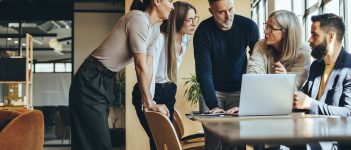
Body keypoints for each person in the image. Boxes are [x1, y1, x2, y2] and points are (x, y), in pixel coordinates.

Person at [68, 0, 174, 149]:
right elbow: (140, 66)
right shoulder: (138, 19)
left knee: (92, 142)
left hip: (105, 79)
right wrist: (149, 103)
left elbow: (148, 67)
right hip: (90, 79)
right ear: (157, 1)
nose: (172, 6)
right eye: (170, 1)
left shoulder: (155, 29)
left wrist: (149, 102)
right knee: (97, 143)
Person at [132, 1, 198, 150]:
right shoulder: (160, 39)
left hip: (169, 90)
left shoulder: (185, 38)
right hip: (150, 90)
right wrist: (150, 103)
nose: (194, 23)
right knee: (158, 138)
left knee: (165, 140)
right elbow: (150, 71)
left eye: (196, 19)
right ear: (178, 20)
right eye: (190, 19)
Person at [193, 0, 259, 149]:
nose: (228, 16)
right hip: (213, 90)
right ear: (211, 11)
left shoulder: (249, 27)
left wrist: (252, 99)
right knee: (213, 139)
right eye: (221, 12)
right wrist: (213, 105)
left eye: (230, 9)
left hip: (239, 89)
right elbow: (204, 72)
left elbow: (258, 63)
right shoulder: (203, 31)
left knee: (237, 140)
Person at [226, 10, 311, 114]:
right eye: (266, 25)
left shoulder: (303, 52)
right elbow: (254, 79)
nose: (265, 31)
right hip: (262, 107)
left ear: (285, 32)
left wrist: (285, 80)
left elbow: (295, 95)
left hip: (291, 111)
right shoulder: (260, 45)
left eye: (271, 28)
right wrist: (247, 108)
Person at [293, 13, 351, 117]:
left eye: (315, 35)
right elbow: (302, 99)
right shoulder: (316, 65)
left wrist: (309, 104)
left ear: (331, 36)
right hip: (312, 128)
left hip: (338, 131)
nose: (310, 40)